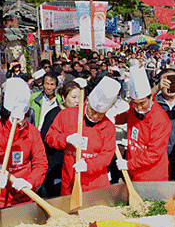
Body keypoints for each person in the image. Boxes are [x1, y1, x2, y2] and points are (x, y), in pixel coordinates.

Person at [45, 77, 120, 195]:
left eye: (100, 114)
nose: (95, 116)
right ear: (88, 101)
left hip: (95, 185)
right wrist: (66, 139)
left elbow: (106, 156)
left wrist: (88, 165)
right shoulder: (67, 115)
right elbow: (50, 138)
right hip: (69, 182)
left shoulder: (108, 127)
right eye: (92, 111)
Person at [115, 66, 172, 181]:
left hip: (152, 175)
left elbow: (154, 154)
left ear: (151, 97)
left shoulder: (160, 120)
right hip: (132, 169)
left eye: (142, 103)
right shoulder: (133, 109)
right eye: (135, 104)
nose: (139, 108)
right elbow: (124, 116)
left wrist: (128, 164)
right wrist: (110, 119)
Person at [0, 78, 47, 208]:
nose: (22, 122)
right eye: (17, 119)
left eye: (25, 117)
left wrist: (30, 182)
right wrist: (10, 127)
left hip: (25, 195)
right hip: (2, 197)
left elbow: (41, 163)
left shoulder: (32, 131)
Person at [39, 81, 80, 198]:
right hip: (55, 165)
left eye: (79, 97)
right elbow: (46, 138)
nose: (77, 100)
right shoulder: (54, 114)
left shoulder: (79, 114)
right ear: (63, 97)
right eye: (73, 97)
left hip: (73, 164)